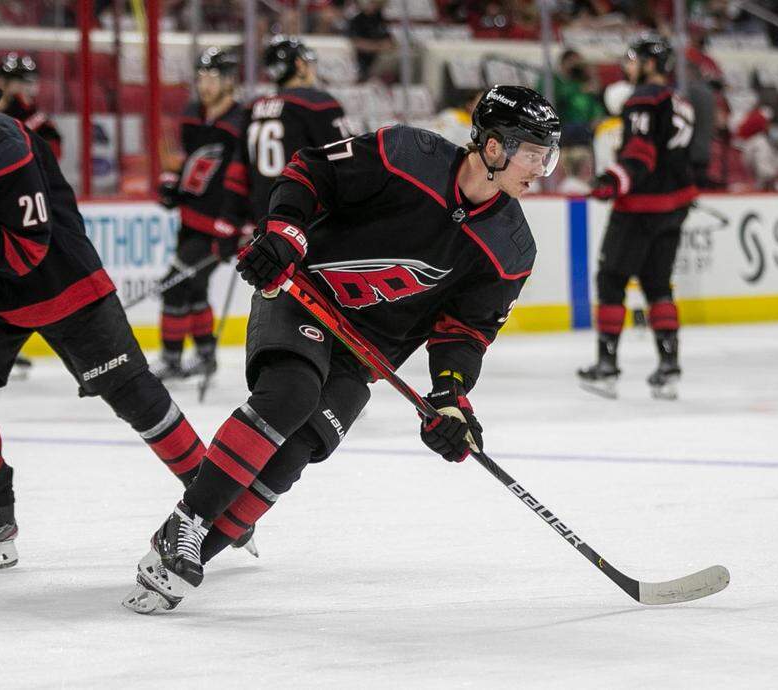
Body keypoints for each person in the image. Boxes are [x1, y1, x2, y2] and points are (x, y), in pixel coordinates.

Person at [122, 84, 562, 614]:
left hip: (365, 351)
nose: (541, 169)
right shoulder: (407, 156)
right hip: (303, 296)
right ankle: (185, 526)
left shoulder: (513, 248)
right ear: (494, 148)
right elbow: (312, 171)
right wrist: (285, 233)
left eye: (547, 156)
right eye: (534, 154)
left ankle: (185, 558)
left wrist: (450, 397)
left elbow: (465, 333)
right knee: (290, 394)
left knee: (299, 448)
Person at [0, 35, 208, 572]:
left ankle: (217, 496)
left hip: (62, 283)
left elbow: (28, 249)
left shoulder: (3, 144)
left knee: (138, 401)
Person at [578, 34, 696, 400]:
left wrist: (613, 181)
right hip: (674, 206)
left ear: (650, 63)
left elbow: (641, 155)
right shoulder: (679, 100)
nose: (628, 66)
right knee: (658, 285)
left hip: (640, 207)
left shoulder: (643, 97)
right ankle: (668, 365)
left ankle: (607, 366)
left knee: (612, 279)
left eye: (633, 59)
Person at [153, 47, 248, 382]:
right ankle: (206, 355)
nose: (205, 84)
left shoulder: (241, 123)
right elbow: (181, 160)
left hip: (218, 227)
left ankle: (171, 359)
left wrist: (239, 224)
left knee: (172, 285)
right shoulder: (193, 113)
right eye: (201, 77)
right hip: (189, 218)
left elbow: (245, 177)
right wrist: (170, 185)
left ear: (229, 81)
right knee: (193, 288)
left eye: (212, 77)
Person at [0, 51, 62, 379]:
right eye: (16, 81)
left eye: (27, 82)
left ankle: (5, 345)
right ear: (2, 83)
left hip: (20, 211)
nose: (23, 88)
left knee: (12, 277)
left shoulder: (38, 122)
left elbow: (51, 158)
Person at [239, 36, 354, 225]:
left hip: (263, 215)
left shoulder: (252, 107)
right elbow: (346, 157)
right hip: (304, 213)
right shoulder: (317, 102)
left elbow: (240, 167)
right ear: (299, 65)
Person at [592, 79, 647, 331]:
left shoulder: (606, 129)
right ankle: (639, 308)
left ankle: (627, 312)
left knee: (615, 266)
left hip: (619, 201)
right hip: (644, 199)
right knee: (646, 261)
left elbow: (605, 169)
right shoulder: (639, 126)